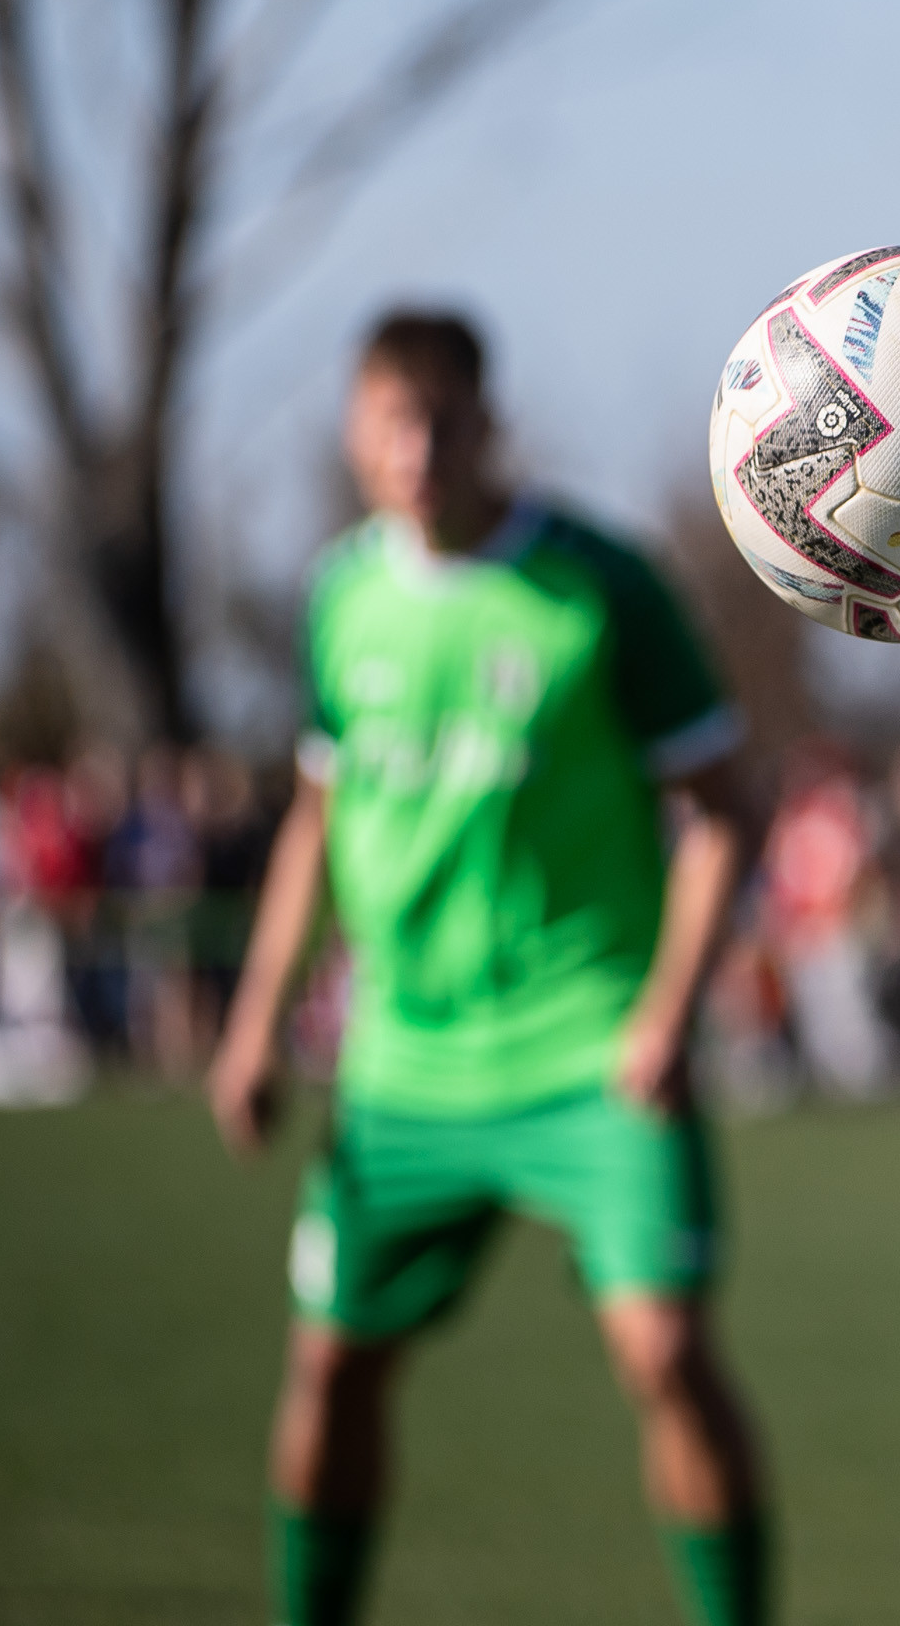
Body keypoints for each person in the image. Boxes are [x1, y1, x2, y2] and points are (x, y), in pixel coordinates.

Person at [209, 312, 773, 1626]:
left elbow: (725, 811)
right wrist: (253, 1023)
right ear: (355, 436)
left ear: (487, 427)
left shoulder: (601, 584)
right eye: (390, 424)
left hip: (592, 1044)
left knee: (667, 1353)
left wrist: (666, 1012)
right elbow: (315, 820)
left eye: (441, 423)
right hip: (404, 1063)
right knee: (331, 1368)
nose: (416, 453)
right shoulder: (341, 597)